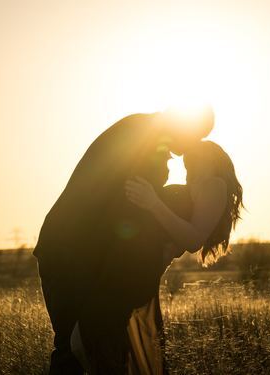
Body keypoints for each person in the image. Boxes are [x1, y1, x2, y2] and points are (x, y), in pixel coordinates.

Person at [33, 108, 214, 374]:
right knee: (77, 349)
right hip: (72, 252)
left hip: (79, 250)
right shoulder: (143, 140)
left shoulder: (146, 134)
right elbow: (130, 212)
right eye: (194, 136)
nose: (188, 148)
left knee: (90, 347)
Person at [123, 140, 243, 373]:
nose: (188, 171)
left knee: (124, 349)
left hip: (140, 273)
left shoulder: (214, 184)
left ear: (207, 160)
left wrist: (153, 202)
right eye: (187, 166)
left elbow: (193, 239)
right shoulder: (198, 185)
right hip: (138, 270)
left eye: (192, 162)